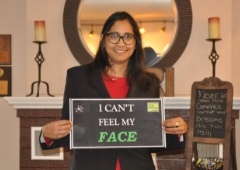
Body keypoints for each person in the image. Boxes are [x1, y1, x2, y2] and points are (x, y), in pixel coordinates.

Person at [39, 11, 188, 170]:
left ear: (136, 43)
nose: (121, 43)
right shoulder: (77, 77)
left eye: (128, 37)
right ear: (103, 40)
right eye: (114, 35)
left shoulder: (150, 83)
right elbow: (71, 132)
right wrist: (46, 134)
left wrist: (178, 131)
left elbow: (149, 138)